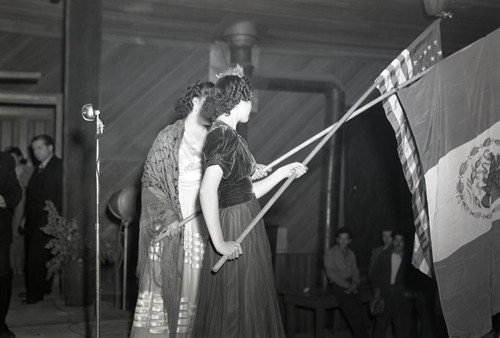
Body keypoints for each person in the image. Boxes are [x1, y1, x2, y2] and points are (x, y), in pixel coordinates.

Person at [191, 65, 308, 338]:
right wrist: (219, 243)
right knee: (234, 310)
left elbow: (248, 193)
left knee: (244, 308)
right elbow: (208, 191)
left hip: (245, 218)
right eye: (248, 99)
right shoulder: (222, 135)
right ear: (234, 102)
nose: (251, 104)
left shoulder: (232, 136)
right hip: (234, 224)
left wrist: (282, 173)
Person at [131, 81, 215, 337]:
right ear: (194, 102)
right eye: (210, 101)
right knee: (163, 297)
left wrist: (253, 169)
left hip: (201, 230)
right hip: (171, 227)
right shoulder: (169, 137)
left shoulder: (216, 138)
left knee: (194, 296)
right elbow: (151, 182)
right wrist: (169, 217)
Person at [23, 135, 63, 304]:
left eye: (40, 147)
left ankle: (35, 294)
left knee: (36, 258)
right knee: (37, 257)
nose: (36, 152)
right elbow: (32, 196)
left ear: (51, 148)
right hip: (34, 219)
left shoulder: (58, 166)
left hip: (47, 220)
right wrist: (25, 217)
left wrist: (53, 221)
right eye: (34, 149)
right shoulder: (40, 167)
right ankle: (39, 289)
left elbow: (56, 197)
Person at [324, 227, 369, 338]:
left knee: (360, 313)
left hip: (352, 284)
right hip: (337, 285)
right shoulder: (330, 253)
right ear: (337, 240)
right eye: (340, 238)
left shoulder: (351, 253)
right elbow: (331, 274)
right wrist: (347, 286)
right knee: (354, 315)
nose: (343, 241)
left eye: (346, 239)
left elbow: (355, 270)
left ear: (350, 241)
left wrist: (355, 283)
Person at [371, 230, 414, 338]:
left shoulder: (410, 259)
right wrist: (377, 292)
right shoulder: (384, 255)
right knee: (380, 327)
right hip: (384, 296)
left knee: (400, 328)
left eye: (401, 240)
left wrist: (411, 292)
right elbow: (375, 275)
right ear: (392, 241)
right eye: (396, 240)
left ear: (405, 242)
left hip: (401, 298)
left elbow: (416, 279)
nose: (398, 243)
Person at [0, 151, 22, 338]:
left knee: (2, 277)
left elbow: (15, 190)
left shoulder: (5, 159)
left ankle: (0, 324)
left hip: (0, 232)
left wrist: (4, 200)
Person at [6, 147, 34, 275]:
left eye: (14, 157)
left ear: (19, 157)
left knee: (19, 237)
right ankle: (11, 266)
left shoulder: (28, 171)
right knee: (9, 237)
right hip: (8, 207)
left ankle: (20, 266)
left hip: (22, 206)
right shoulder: (6, 171)